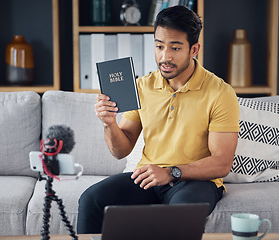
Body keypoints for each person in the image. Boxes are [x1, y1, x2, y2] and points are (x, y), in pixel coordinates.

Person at [77, 5, 239, 234]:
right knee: (90, 200)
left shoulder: (220, 93)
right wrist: (109, 123)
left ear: (194, 49)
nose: (165, 57)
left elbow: (222, 162)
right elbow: (120, 151)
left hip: (195, 182)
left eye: (175, 48)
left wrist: (172, 172)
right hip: (148, 178)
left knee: (180, 214)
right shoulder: (142, 86)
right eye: (159, 46)